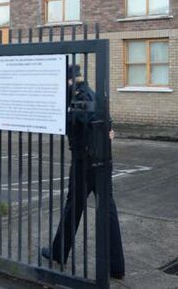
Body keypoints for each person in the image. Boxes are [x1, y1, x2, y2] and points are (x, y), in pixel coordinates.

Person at [42, 64, 125, 279]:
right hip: (101, 160)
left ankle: (59, 252)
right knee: (102, 209)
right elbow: (104, 121)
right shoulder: (92, 93)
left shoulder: (80, 98)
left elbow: (79, 123)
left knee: (78, 206)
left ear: (69, 81)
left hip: (86, 163)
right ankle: (115, 266)